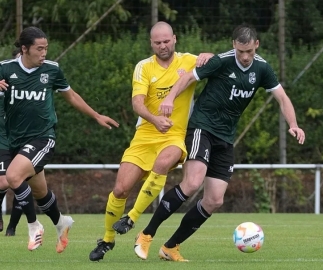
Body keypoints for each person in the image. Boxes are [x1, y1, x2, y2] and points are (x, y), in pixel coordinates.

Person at [133, 24, 306, 262]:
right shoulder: (221, 61)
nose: (245, 57)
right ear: (234, 45)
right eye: (240, 51)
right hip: (202, 128)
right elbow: (188, 78)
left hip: (226, 137)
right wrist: (170, 98)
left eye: (249, 52)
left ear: (257, 45)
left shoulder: (262, 68)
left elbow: (282, 97)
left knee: (214, 200)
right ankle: (146, 234)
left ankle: (170, 247)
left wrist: (293, 124)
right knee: (192, 183)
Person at [89, 21, 213, 262]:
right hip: (145, 134)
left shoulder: (188, 60)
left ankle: (133, 217)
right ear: (151, 43)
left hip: (175, 135)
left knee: (165, 160)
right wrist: (155, 120)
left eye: (166, 41)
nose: (163, 46)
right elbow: (137, 103)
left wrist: (209, 55)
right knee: (120, 189)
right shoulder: (143, 67)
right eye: (157, 42)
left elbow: (219, 62)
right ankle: (107, 240)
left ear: (175, 39)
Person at [0, 26, 119, 252]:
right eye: (39, 48)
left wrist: (96, 115)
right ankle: (61, 223)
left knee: (13, 176)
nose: (44, 53)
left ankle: (34, 226)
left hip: (43, 138)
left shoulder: (52, 70)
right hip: (17, 141)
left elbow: (71, 96)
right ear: (24, 49)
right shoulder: (5, 69)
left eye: (46, 48)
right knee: (40, 193)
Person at [0, 48, 24, 236]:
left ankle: (12, 228)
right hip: (4, 139)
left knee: (22, 183)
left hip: (27, 138)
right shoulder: (3, 82)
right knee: (3, 182)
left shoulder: (34, 86)